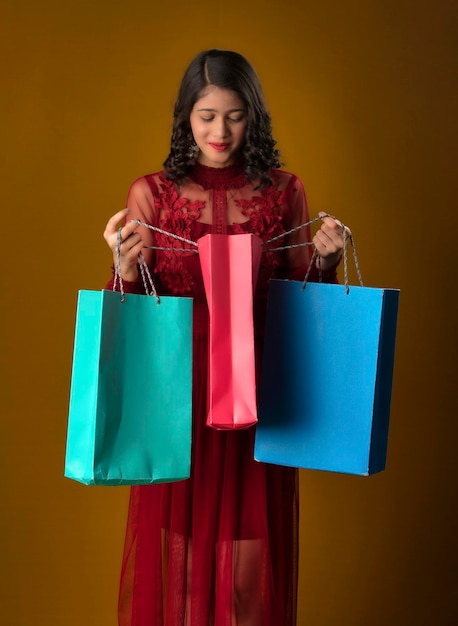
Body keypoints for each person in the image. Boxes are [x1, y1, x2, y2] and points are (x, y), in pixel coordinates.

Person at [103, 49, 344, 626]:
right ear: (186, 116)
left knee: (247, 584)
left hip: (259, 402)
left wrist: (324, 262)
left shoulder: (284, 191)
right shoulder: (151, 195)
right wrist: (125, 269)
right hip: (178, 406)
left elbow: (299, 307)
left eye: (234, 116)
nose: (219, 130)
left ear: (252, 117)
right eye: (206, 115)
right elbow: (135, 319)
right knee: (183, 579)